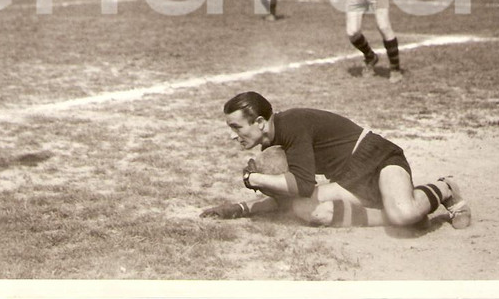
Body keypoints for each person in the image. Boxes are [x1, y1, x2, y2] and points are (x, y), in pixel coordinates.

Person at [200, 92, 470, 229]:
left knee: (404, 213)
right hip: (349, 178)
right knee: (307, 211)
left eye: (236, 127)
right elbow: (290, 197)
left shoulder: (291, 124)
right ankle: (406, 211)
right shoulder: (271, 144)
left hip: (377, 159)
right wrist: (240, 208)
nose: (232, 136)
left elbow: (303, 185)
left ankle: (445, 188)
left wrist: (256, 179)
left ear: (259, 122)